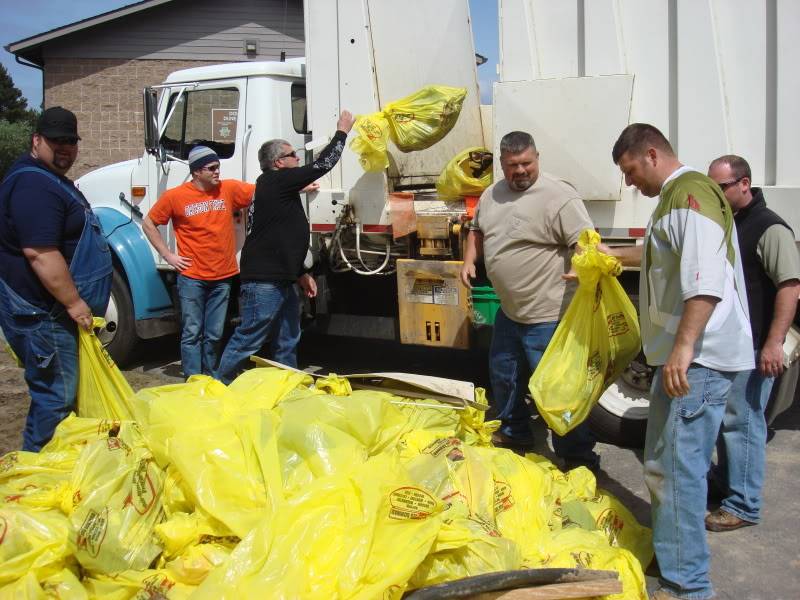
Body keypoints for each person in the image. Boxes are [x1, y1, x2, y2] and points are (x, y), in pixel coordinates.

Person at [608, 124, 754, 600]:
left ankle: (688, 583)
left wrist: (684, 348)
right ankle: (677, 560)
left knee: (677, 469)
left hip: (699, 360)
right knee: (665, 463)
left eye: (630, 172)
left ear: (651, 154)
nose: (630, 184)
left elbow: (704, 281)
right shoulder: (673, 202)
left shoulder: (688, 197)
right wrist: (605, 257)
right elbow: (657, 258)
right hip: (691, 357)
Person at [459, 130, 600, 471]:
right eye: (512, 165)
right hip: (510, 312)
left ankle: (577, 456)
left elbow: (584, 240)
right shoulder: (492, 195)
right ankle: (515, 432)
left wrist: (583, 266)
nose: (520, 171)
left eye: (526, 163)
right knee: (504, 376)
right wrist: (468, 260)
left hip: (549, 315)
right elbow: (476, 230)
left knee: (557, 391)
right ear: (502, 165)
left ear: (537, 158)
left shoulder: (559, 195)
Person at [0, 106, 112, 451]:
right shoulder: (34, 184)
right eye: (56, 141)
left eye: (71, 142)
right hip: (43, 314)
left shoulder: (47, 179)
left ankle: (56, 463)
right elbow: (40, 253)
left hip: (51, 311)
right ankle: (36, 472)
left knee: (62, 393)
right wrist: (74, 302)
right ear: (36, 140)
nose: (65, 148)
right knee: (56, 396)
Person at [216, 110, 355, 384]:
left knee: (288, 336)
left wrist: (300, 273)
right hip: (264, 282)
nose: (298, 159)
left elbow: (279, 236)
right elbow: (322, 164)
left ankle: (286, 386)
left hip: (282, 278)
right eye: (293, 155)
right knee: (250, 336)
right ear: (279, 163)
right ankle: (220, 386)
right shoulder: (276, 180)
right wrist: (342, 132)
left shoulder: (278, 187)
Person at [705, 155, 800, 532]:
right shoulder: (731, 222)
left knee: (744, 424)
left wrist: (774, 343)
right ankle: (728, 482)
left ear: (744, 184)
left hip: (756, 347)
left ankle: (743, 504)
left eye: (721, 187)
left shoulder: (769, 227)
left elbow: (790, 288)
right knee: (730, 422)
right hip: (733, 346)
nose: (715, 193)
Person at [142, 146, 255, 378]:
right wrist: (168, 255)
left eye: (218, 167)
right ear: (196, 172)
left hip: (223, 276)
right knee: (192, 332)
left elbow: (266, 189)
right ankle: (193, 380)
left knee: (214, 333)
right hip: (192, 277)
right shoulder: (175, 196)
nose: (217, 172)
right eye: (211, 168)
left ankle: (211, 377)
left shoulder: (229, 188)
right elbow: (149, 223)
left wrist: (301, 185)